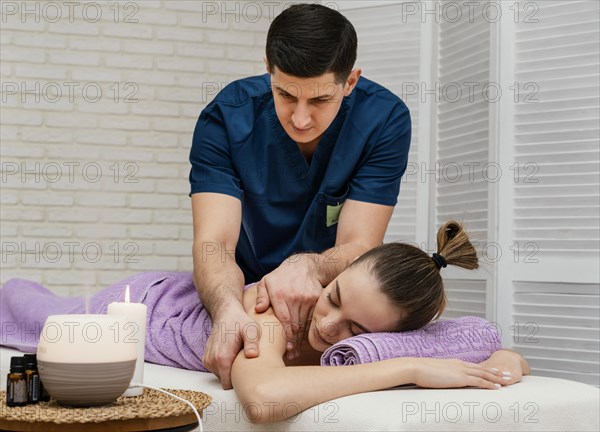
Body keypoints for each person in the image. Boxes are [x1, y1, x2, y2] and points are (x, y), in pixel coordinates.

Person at [0, 220, 530, 424]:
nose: (327, 324)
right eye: (335, 296)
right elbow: (264, 400)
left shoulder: (402, 330)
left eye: (357, 331)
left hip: (167, 298)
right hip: (151, 304)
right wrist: (407, 368)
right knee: (22, 307)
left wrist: (504, 363)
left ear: (395, 332)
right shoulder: (282, 310)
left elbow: (496, 354)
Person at [189, 3, 412, 389]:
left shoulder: (384, 120)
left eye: (320, 100)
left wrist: (307, 267)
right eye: (285, 94)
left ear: (350, 82)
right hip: (245, 292)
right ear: (268, 69)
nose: (300, 119)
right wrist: (226, 310)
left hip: (329, 300)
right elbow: (214, 244)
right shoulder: (227, 116)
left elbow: (359, 244)